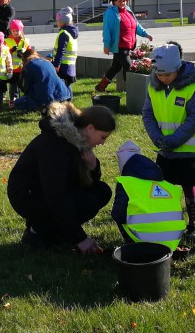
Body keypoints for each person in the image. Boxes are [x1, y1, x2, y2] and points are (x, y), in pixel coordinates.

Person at [7, 103, 115, 253]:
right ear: (90, 128)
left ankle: (55, 231)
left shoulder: (77, 141)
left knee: (102, 191)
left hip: (51, 191)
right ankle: (36, 231)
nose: (102, 143)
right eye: (103, 137)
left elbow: (83, 182)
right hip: (29, 196)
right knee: (87, 203)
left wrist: (93, 167)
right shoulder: (54, 145)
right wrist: (80, 238)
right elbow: (56, 195)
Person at [141, 42, 195, 241]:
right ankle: (168, 219)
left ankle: (193, 224)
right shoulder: (154, 87)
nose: (163, 79)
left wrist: (176, 140)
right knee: (165, 188)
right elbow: (148, 114)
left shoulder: (191, 87)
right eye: (159, 75)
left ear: (178, 69)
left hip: (187, 150)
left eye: (167, 75)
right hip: (165, 150)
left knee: (188, 186)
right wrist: (157, 137)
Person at [111, 141, 187, 252]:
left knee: (122, 215)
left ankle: (132, 245)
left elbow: (118, 215)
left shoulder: (127, 183)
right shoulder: (167, 185)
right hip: (174, 240)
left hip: (144, 242)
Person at [97, 0, 153, 92]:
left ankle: (100, 87)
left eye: (124, 0)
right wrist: (106, 45)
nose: (122, 3)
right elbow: (107, 30)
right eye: (119, 1)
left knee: (116, 67)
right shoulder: (110, 13)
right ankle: (130, 89)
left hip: (128, 45)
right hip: (119, 45)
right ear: (114, 2)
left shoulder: (128, 11)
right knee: (128, 66)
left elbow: (136, 25)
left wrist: (146, 34)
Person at [50, 7, 78, 87]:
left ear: (63, 22)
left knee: (63, 88)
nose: (57, 23)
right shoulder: (71, 32)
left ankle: (67, 100)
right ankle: (69, 100)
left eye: (58, 21)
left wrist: (56, 65)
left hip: (63, 66)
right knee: (67, 86)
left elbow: (61, 50)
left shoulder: (64, 33)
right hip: (70, 65)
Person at [5, 19, 29, 105]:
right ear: (11, 30)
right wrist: (11, 51)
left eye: (17, 30)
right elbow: (4, 53)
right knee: (12, 86)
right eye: (13, 30)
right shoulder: (7, 41)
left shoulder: (25, 41)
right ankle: (12, 100)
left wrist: (24, 52)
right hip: (12, 69)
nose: (15, 32)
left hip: (23, 68)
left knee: (23, 85)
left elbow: (30, 53)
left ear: (21, 30)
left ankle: (25, 99)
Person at [0, 31, 13, 109]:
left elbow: (9, 60)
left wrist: (10, 70)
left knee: (1, 92)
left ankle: (0, 105)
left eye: (0, 43)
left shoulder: (6, 49)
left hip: (2, 75)